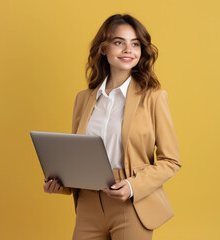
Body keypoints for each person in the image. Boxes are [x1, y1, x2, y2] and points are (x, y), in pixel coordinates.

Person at [43, 14, 181, 240]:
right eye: (119, 42)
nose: (128, 49)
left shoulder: (154, 97)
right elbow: (77, 155)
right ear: (104, 48)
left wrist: (133, 186)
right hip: (88, 205)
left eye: (135, 44)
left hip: (131, 204)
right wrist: (61, 183)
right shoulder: (83, 99)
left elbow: (171, 161)